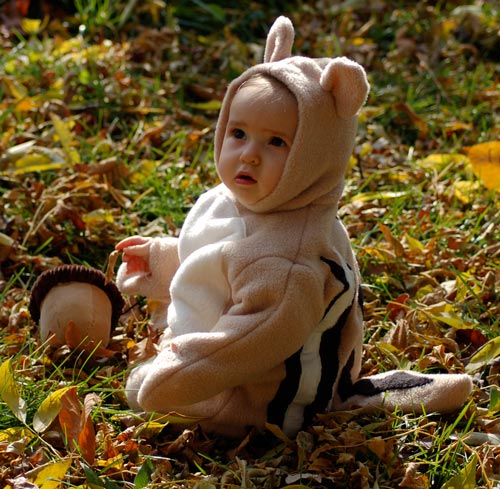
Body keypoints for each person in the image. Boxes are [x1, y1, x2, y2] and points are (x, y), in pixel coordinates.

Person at [115, 16, 472, 437]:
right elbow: (222, 255)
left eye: (276, 143)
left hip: (268, 394)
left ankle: (323, 402)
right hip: (229, 359)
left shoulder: (290, 259)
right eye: (239, 133)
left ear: (315, 154)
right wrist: (162, 258)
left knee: (142, 391)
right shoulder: (254, 198)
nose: (248, 155)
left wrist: (178, 370)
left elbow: (254, 339)